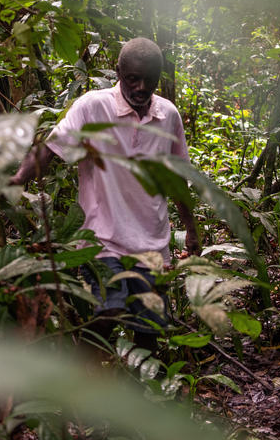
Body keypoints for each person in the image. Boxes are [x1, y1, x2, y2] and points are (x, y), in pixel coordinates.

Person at [10, 37, 197, 350]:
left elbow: (178, 178)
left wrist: (191, 232)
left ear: (158, 79)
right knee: (106, 314)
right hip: (102, 240)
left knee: (148, 331)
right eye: (132, 79)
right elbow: (51, 149)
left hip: (152, 244)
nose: (140, 87)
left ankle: (141, 392)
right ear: (118, 72)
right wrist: (17, 180)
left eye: (148, 81)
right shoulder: (93, 106)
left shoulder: (169, 116)